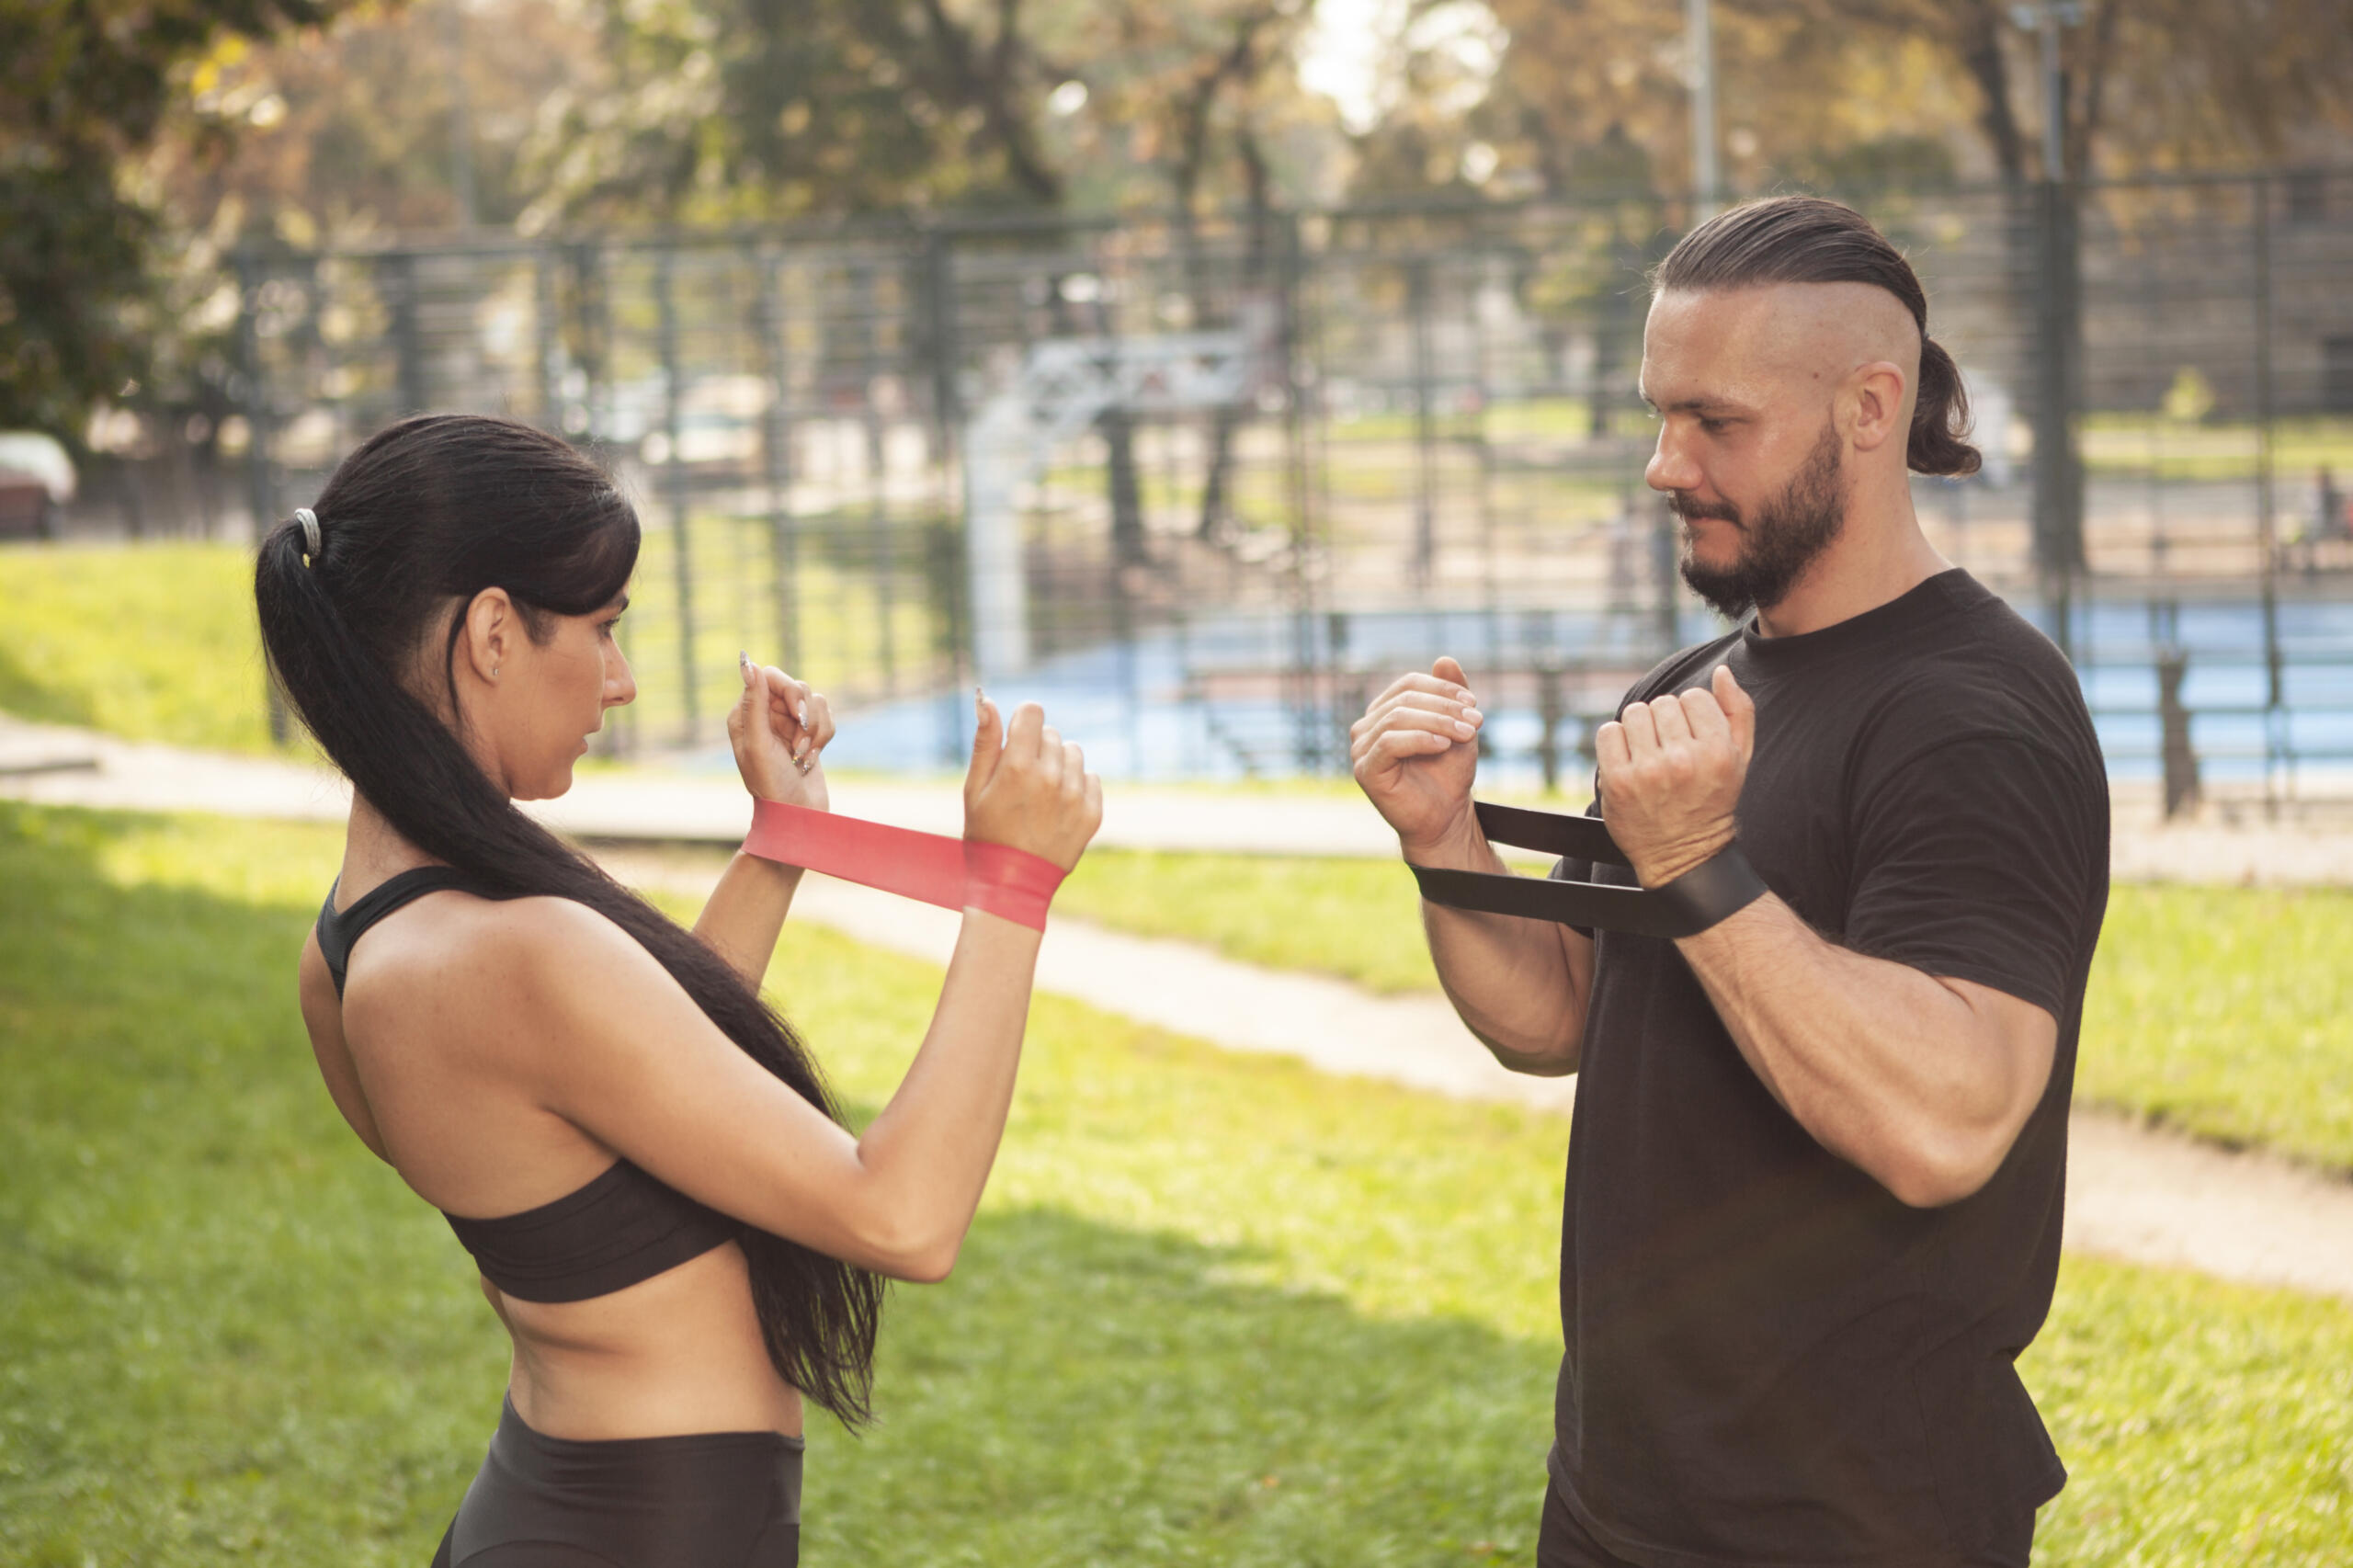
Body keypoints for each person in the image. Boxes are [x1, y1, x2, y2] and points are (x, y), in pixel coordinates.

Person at [1351, 197, 2109, 1567]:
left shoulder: (1975, 713)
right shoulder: (1693, 690)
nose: (1663, 464)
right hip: (1619, 1495)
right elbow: (1558, 1019)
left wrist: (1701, 862)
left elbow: (1949, 1124)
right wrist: (1446, 845)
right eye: (1658, 416)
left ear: (1869, 410)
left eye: (1716, 422)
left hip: (1853, 1522)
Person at [255, 413, 1101, 1567]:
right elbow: (901, 1216)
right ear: (494, 630)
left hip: (556, 1509)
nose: (621, 681)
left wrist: (781, 841)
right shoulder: (510, 949)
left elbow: (622, 1094)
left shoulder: (350, 949)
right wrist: (1010, 890)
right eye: (602, 630)